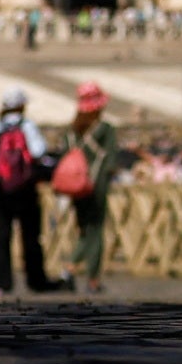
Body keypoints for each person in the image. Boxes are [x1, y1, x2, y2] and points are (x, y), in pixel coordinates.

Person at [0, 84, 56, 294]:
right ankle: (36, 281)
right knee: (31, 237)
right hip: (26, 192)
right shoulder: (28, 127)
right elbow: (39, 152)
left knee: (1, 238)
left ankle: (0, 284)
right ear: (22, 106)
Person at [57, 80, 128, 287]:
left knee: (83, 228)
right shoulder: (105, 129)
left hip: (74, 186)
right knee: (95, 230)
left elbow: (64, 156)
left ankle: (70, 270)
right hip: (95, 185)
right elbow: (111, 160)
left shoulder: (71, 131)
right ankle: (91, 277)